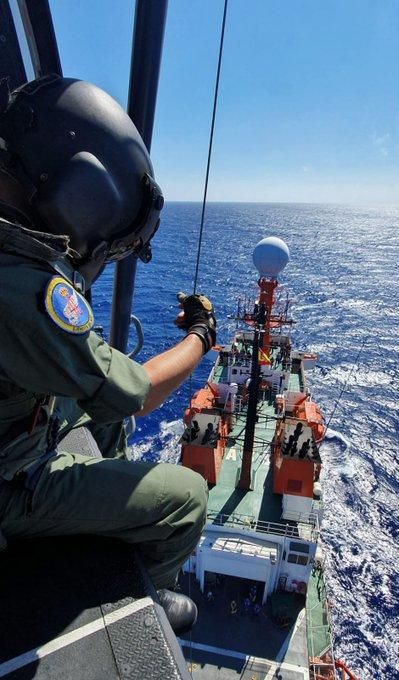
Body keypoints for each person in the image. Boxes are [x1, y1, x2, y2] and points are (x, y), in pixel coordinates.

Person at [0, 75, 217, 635]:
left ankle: (98, 509)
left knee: (106, 416)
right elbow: (135, 391)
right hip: (8, 480)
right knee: (187, 499)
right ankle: (139, 596)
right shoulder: (22, 286)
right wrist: (200, 335)